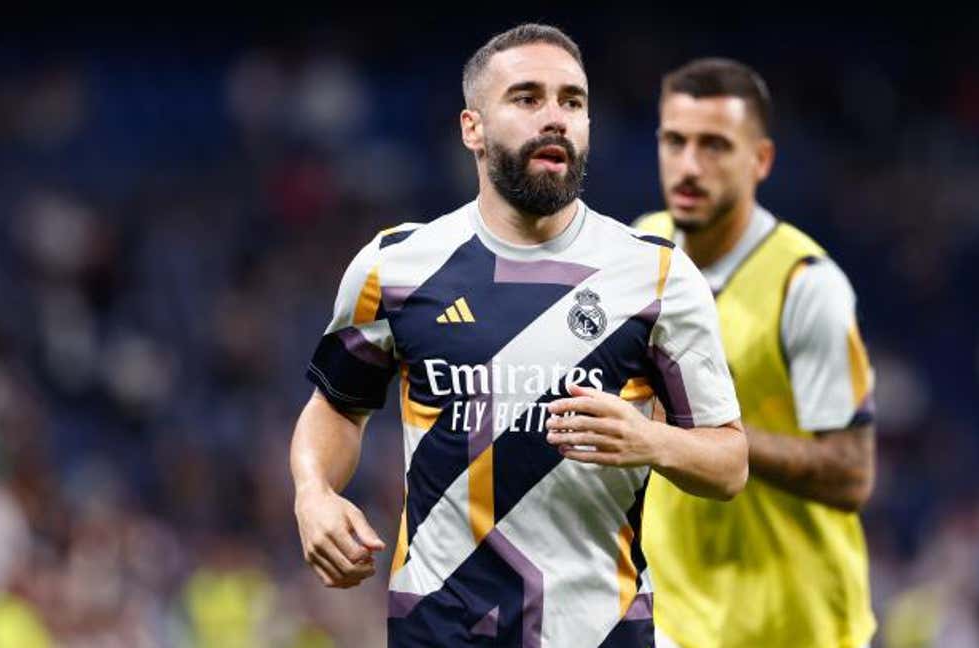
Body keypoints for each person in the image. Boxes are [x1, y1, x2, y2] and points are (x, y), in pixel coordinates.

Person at [289, 25, 748, 647]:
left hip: (601, 633)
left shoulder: (657, 274)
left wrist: (652, 441)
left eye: (573, 101)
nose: (556, 118)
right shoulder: (395, 267)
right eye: (528, 98)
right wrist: (313, 494)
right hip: (440, 632)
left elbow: (728, 463)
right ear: (472, 128)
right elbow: (336, 410)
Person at [637, 58, 878, 648]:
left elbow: (852, 474)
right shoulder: (641, 251)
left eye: (715, 146)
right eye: (675, 141)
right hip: (676, 617)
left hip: (794, 624)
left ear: (760, 160)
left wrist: (711, 439)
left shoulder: (805, 285)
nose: (689, 166)